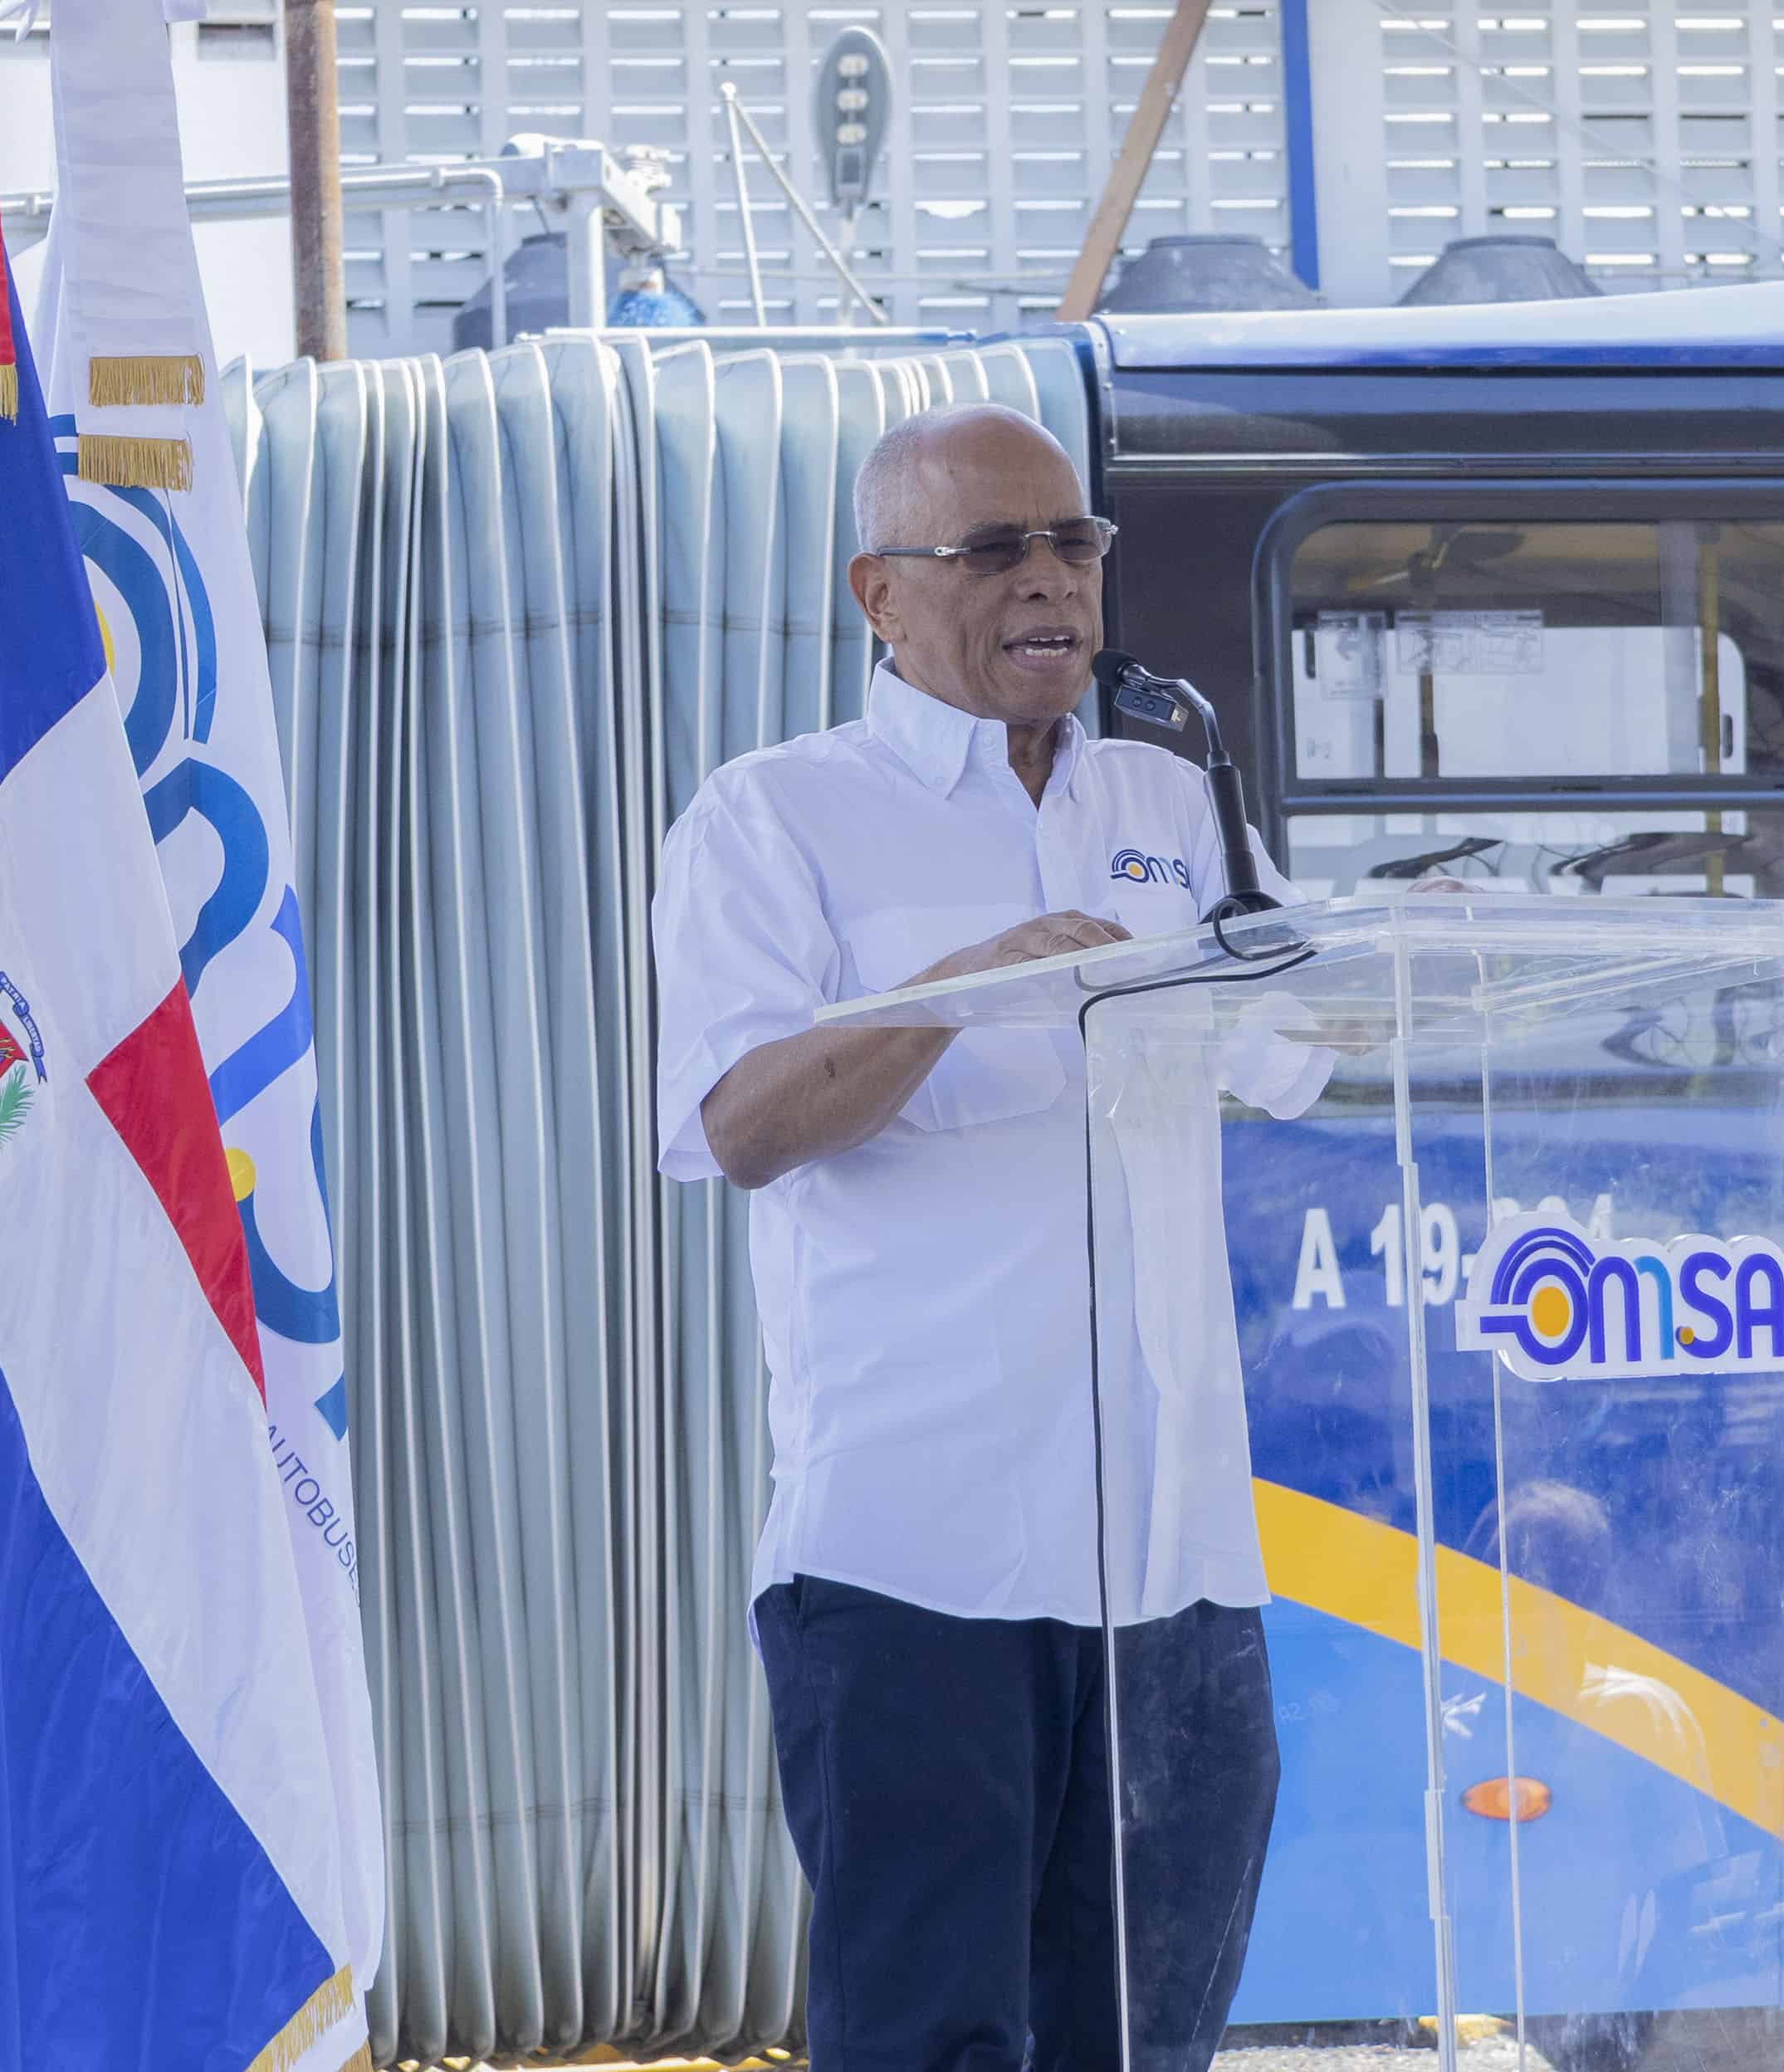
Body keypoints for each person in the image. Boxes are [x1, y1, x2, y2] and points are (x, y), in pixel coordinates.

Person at [648, 402, 1324, 2069]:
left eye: (1074, 544)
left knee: (1144, 2038)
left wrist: (1411, 936)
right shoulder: (772, 819)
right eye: (995, 550)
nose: (1052, 582)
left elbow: (1302, 1055)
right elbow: (735, 1125)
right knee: (927, 2042)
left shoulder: (1174, 795)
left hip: (1173, 1563)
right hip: (912, 1562)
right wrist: (971, 987)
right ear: (880, 595)